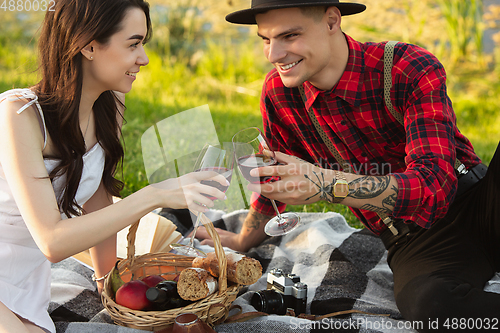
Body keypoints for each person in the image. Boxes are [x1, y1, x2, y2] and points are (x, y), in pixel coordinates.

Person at [193, 0, 500, 330]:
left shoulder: (407, 67)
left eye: (290, 36)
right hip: (412, 240)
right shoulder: (279, 94)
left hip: (479, 201)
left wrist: (326, 184)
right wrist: (243, 240)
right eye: (266, 40)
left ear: (331, 21)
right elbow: (276, 181)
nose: (274, 55)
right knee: (431, 305)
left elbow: (435, 186)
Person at [0, 1, 228, 332]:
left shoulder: (110, 104)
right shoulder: (19, 115)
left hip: (26, 280)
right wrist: (153, 195)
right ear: (89, 46)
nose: (144, 58)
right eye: (133, 43)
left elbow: (96, 191)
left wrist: (107, 277)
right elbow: (52, 241)